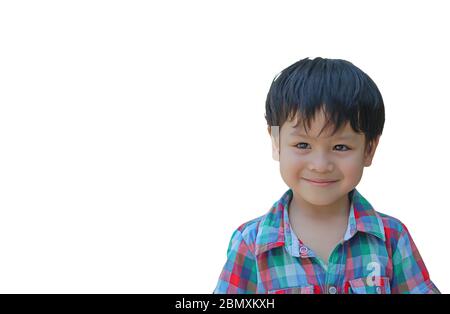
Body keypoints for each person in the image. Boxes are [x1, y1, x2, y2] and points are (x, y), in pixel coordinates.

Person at [213, 57, 440, 294]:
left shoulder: (392, 239)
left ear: (369, 149)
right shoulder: (250, 244)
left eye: (340, 147)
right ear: (276, 141)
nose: (320, 165)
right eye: (302, 145)